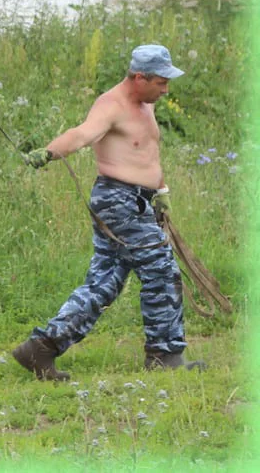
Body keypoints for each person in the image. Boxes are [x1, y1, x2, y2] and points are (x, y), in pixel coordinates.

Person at [12, 44, 204, 381]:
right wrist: (49, 152)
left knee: (104, 283)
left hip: (139, 200)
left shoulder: (145, 104)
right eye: (160, 82)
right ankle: (164, 355)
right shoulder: (111, 104)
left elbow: (147, 153)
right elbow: (82, 134)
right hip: (117, 201)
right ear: (139, 77)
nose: (166, 89)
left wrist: (161, 193)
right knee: (161, 270)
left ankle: (40, 349)